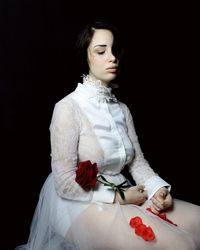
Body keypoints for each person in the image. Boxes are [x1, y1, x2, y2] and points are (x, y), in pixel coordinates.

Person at [16, 20, 200, 250]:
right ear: (85, 57)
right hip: (75, 202)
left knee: (198, 222)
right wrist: (121, 197)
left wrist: (157, 189)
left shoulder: (122, 109)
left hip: (124, 190)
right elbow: (64, 181)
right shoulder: (67, 107)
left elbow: (138, 163)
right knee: (180, 245)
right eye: (101, 51)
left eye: (114, 51)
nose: (112, 57)